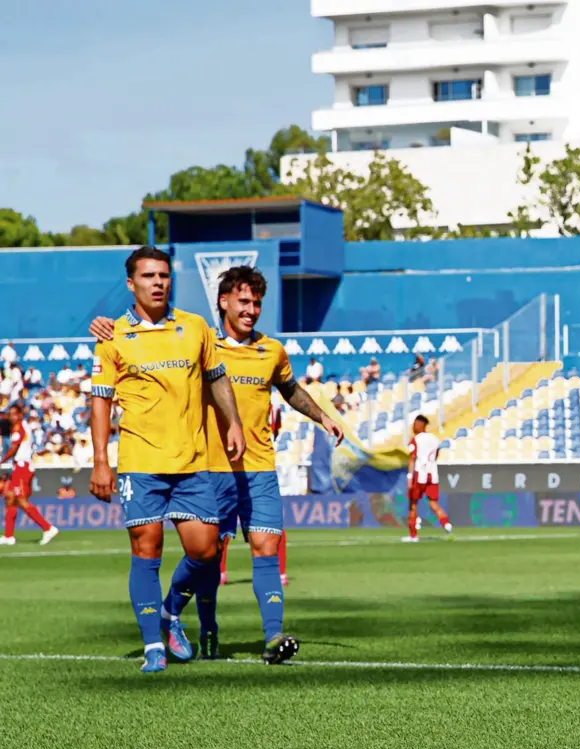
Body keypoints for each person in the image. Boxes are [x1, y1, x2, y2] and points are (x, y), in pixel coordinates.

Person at [90, 265, 342, 665]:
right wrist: (108, 324)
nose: (251, 310)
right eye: (244, 301)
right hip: (210, 467)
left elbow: (291, 390)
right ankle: (201, 624)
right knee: (207, 554)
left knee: (266, 547)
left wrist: (323, 416)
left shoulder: (272, 350)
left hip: (259, 468)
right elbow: (147, 341)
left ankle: (273, 635)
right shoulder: (199, 338)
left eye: (257, 303)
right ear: (223, 302)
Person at [89, 246, 246, 674]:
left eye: (163, 275)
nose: (158, 282)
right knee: (146, 548)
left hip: (192, 461)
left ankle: (170, 612)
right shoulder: (112, 337)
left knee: (207, 549)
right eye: (148, 276)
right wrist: (101, 461)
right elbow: (100, 402)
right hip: (140, 462)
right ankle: (152, 646)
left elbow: (217, 379)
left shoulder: (196, 328)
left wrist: (232, 422)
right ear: (131, 283)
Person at [0, 403, 59, 546]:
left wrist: (2, 461)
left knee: (21, 500)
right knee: (10, 498)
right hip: (20, 467)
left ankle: (48, 528)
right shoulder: (22, 426)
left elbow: (14, 448)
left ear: (20, 414)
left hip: (22, 468)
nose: (12, 417)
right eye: (10, 414)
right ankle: (9, 536)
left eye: (14, 414)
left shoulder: (19, 428)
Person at [403, 415, 452, 543]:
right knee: (433, 502)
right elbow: (436, 456)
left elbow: (412, 459)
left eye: (415, 424)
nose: (413, 427)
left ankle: (413, 536)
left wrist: (409, 477)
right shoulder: (434, 439)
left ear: (421, 425)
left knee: (412, 504)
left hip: (420, 475)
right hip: (433, 474)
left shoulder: (416, 440)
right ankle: (446, 524)